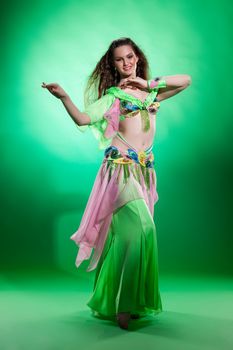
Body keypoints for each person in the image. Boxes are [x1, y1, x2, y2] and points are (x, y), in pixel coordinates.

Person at [41, 37, 191, 330]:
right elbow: (84, 120)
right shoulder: (113, 97)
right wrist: (63, 97)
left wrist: (146, 85)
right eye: (120, 59)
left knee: (126, 238)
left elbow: (185, 81)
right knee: (143, 228)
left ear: (138, 58)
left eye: (131, 56)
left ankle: (120, 301)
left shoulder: (150, 95)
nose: (127, 63)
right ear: (113, 64)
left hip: (143, 172)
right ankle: (124, 308)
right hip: (119, 172)